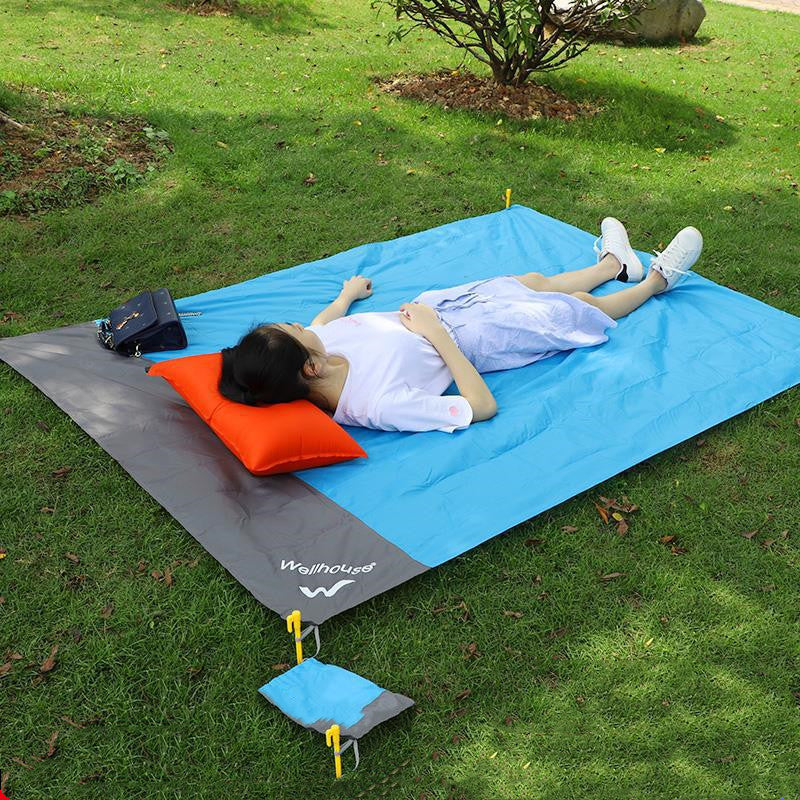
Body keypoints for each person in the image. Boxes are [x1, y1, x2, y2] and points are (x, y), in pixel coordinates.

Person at [219, 218, 703, 433]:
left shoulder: (319, 345)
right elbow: (481, 406)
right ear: (309, 369)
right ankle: (656, 282)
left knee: (531, 281)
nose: (300, 324)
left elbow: (321, 321)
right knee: (573, 307)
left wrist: (347, 294)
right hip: (471, 339)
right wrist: (435, 334)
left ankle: (613, 267)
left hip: (442, 309)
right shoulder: (376, 404)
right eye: (291, 327)